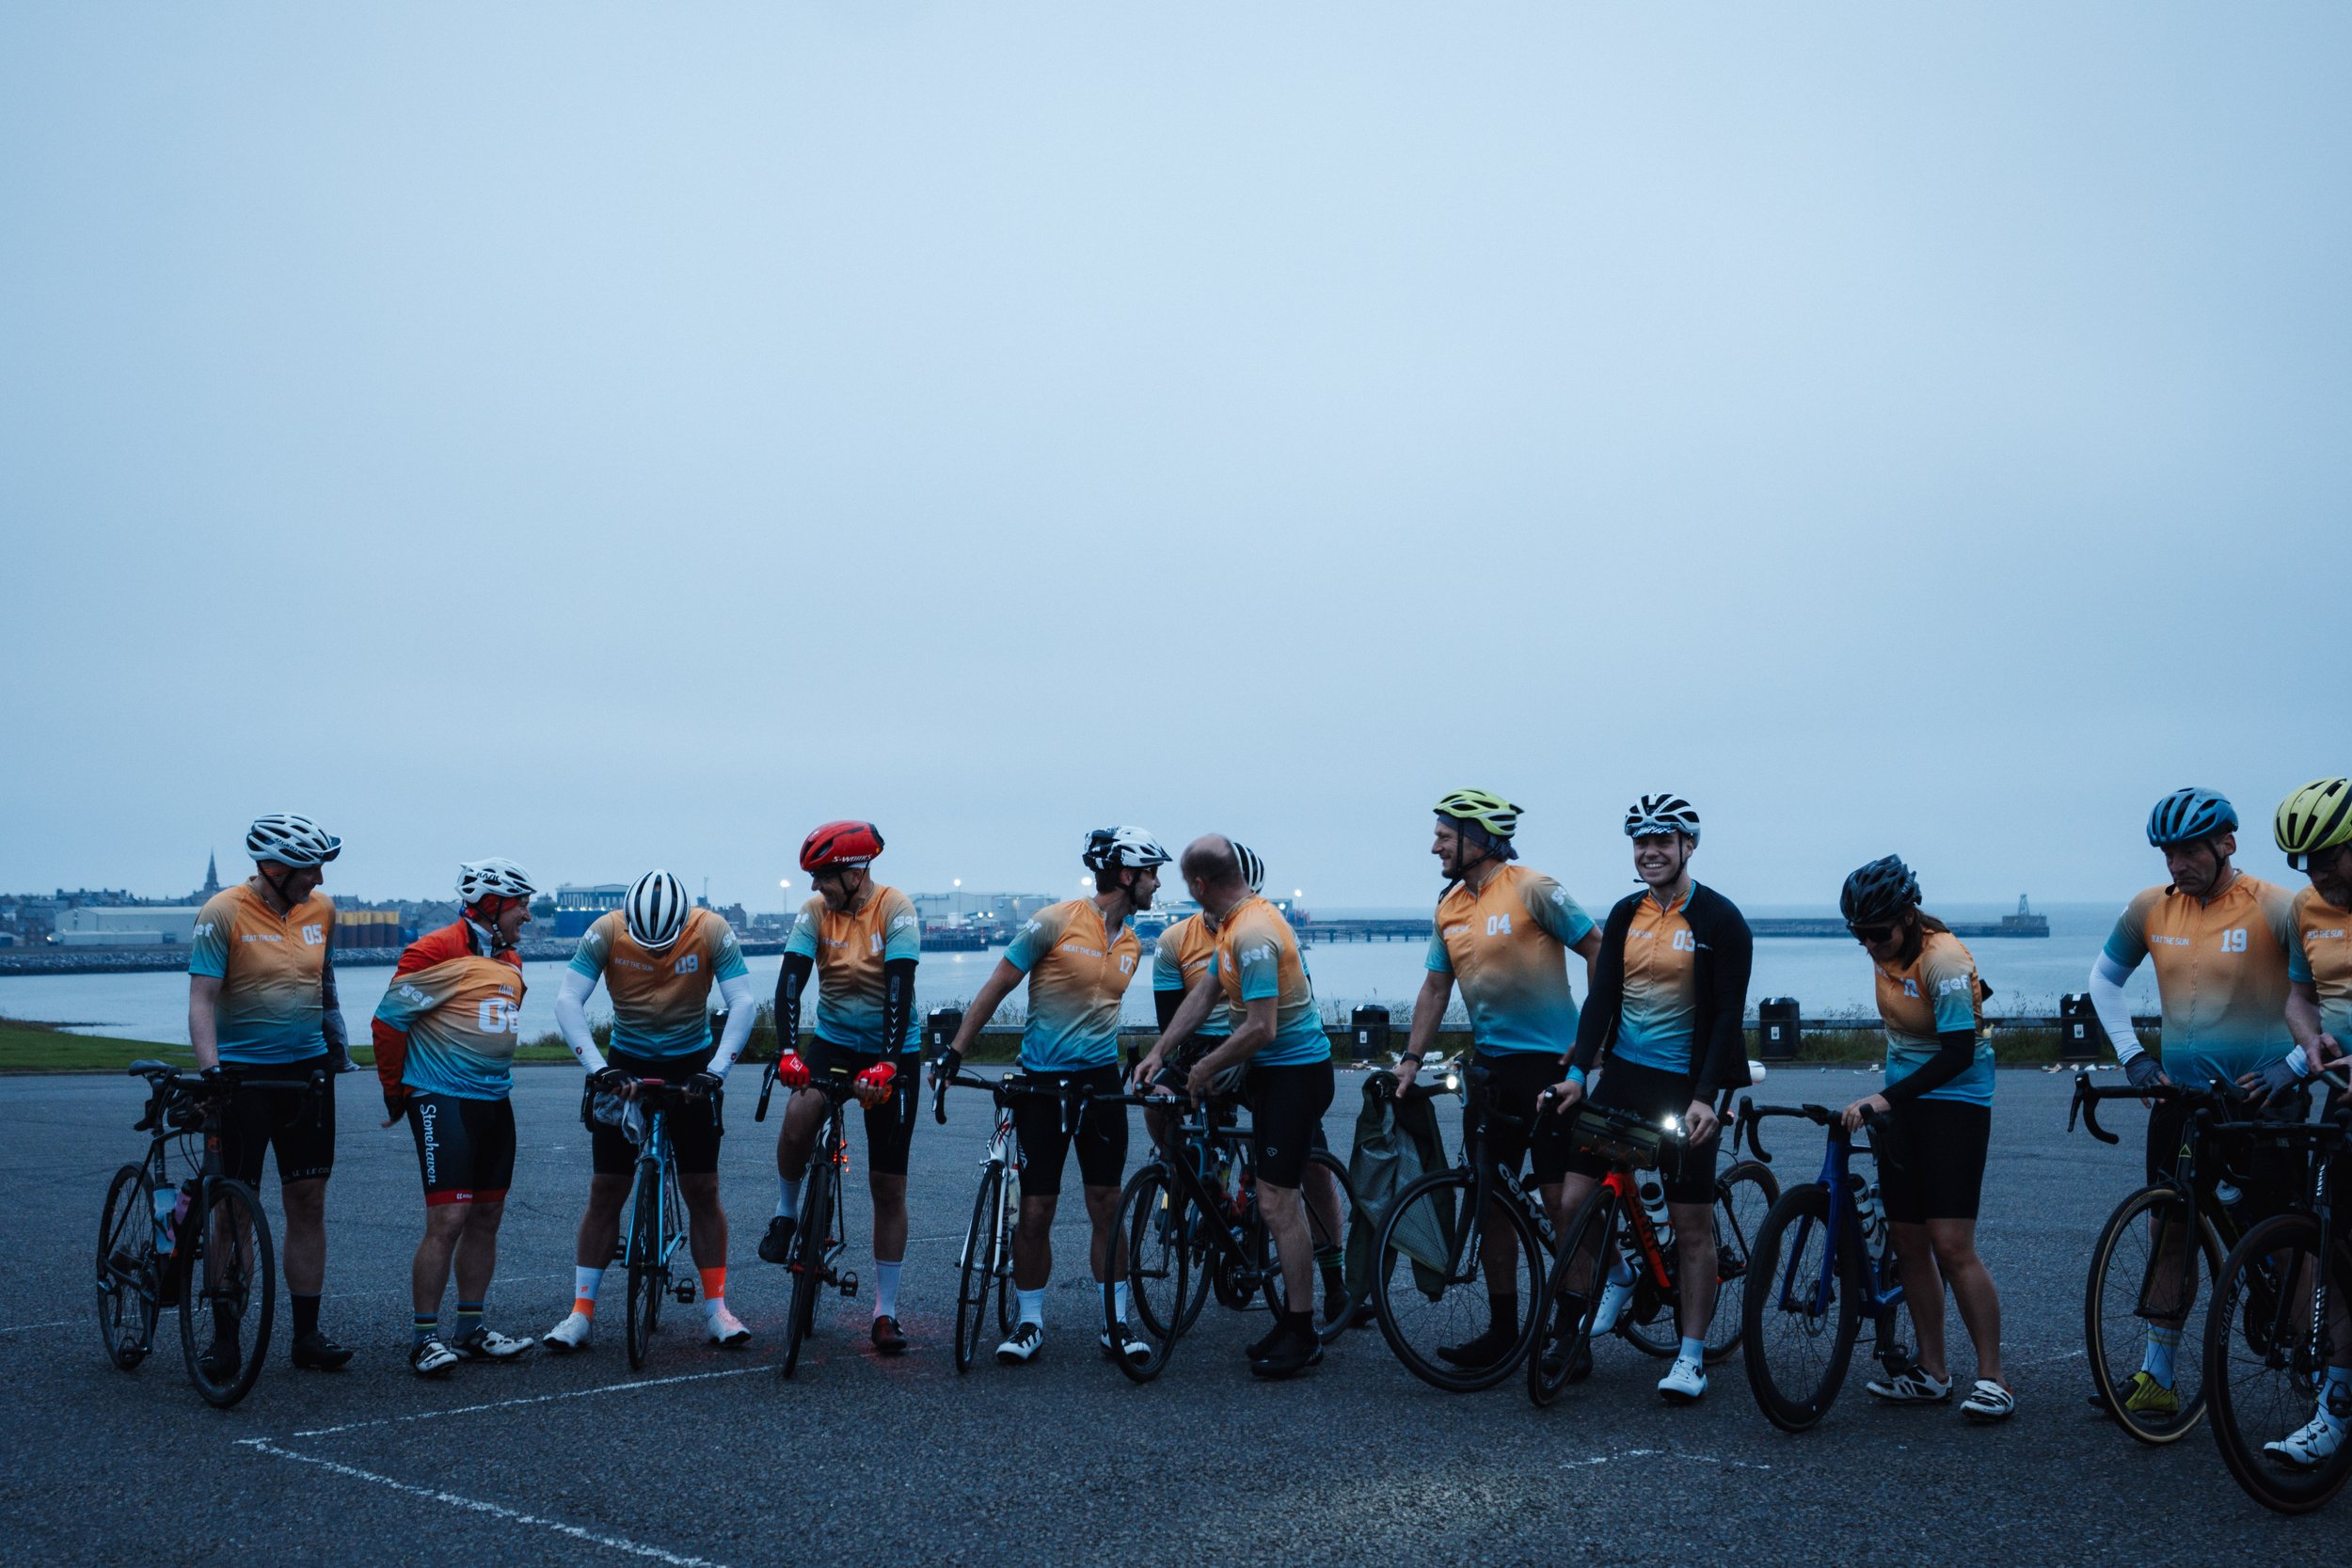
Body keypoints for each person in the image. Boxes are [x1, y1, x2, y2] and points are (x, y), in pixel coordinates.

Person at [2089, 786, 2299, 1420]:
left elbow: (2334, 988)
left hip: (2261, 1101)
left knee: (2286, 1239)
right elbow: (2103, 980)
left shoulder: (2277, 906)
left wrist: (2290, 1068)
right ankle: (2158, 1374)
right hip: (2180, 1101)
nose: (2176, 864)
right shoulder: (2151, 908)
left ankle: (2322, 1372)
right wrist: (2133, 1056)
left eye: (2188, 851)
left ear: (2226, 842)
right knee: (2168, 1227)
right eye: (2167, 852)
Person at [1545, 794, 1753, 1403]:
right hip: (1626, 1076)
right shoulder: (1624, 912)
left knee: (1691, 1226)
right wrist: (1580, 1070)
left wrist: (1708, 1097)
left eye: (1663, 841)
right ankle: (1618, 1271)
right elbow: (1601, 998)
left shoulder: (1720, 920)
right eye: (1641, 842)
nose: (1651, 852)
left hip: (1687, 1083)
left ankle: (1690, 1357)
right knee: (1576, 1197)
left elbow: (1726, 1017)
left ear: (1688, 846)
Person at [932, 827, 1167, 1367]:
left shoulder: (1132, 941)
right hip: (1042, 1086)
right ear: (1127, 876)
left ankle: (1116, 1323)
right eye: (1151, 872)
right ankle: (1031, 1321)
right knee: (1035, 1212)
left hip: (1100, 1086)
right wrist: (955, 1052)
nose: (1157, 883)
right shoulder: (1055, 921)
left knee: (1107, 1205)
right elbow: (997, 984)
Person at [1392, 788, 1599, 1371]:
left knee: (1561, 1202)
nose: (1434, 844)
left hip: (1551, 1067)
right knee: (1491, 1203)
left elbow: (1598, 950)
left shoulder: (1532, 886)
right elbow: (1436, 989)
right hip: (1490, 1071)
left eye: (1444, 835)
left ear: (1479, 838)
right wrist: (1411, 1059)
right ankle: (1504, 1328)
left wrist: (1592, 1040)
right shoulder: (1449, 906)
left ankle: (1571, 1328)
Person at [1135, 842, 1352, 1324]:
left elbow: (1262, 1028)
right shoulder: (1219, 929)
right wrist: (1157, 1052)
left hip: (1286, 1065)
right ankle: (1193, 1184)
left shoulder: (1254, 932)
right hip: (1239, 1053)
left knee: (1286, 1193)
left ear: (1199, 886)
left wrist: (1206, 1069)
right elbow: (1200, 998)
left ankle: (1329, 1291)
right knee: (1162, 1102)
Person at [546, 868, 757, 1354]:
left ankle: (717, 1310)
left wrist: (718, 1070)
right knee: (606, 1189)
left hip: (693, 1064)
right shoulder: (605, 930)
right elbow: (567, 1000)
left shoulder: (711, 929)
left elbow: (742, 1001)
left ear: (684, 923)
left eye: (666, 946)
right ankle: (580, 1312)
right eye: (647, 945)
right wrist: (599, 1069)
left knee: (702, 1188)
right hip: (624, 1064)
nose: (657, 954)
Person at [1831, 855, 2010, 1421]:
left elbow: (1957, 1053)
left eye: (1878, 933)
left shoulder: (1946, 959)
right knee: (1908, 1242)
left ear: (1908, 916)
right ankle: (1933, 1373)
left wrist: (1884, 1099)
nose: (1870, 945)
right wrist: (1890, 1098)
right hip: (1903, 1100)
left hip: (1956, 1100)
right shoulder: (1886, 949)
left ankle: (1993, 1378)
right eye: (1858, 935)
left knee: (1952, 1246)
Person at [184, 813, 354, 1376]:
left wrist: (337, 1050)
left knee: (308, 1202)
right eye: (311, 870)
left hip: (305, 1077)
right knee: (232, 1210)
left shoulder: (322, 911)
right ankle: (225, 1339)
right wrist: (211, 1073)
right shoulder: (223, 912)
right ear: (274, 868)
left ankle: (306, 1337)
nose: (320, 882)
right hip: (239, 1080)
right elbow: (202, 1001)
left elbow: (325, 982)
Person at [761, 821, 925, 1355]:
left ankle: (885, 1312)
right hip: (833, 1040)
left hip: (891, 1047)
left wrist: (888, 1063)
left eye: (822, 877)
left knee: (886, 1184)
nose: (815, 888)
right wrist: (788, 1051)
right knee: (798, 1114)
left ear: (855, 873)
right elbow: (790, 981)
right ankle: (787, 1214)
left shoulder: (895, 910)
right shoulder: (815, 914)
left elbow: (901, 989)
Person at [373, 859, 541, 1375]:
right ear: (492, 906)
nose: (528, 917)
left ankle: (469, 1329)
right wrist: (396, 1093)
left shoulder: (511, 959)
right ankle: (425, 1338)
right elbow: (388, 1022)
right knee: (448, 1219)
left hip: (494, 1100)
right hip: (441, 1097)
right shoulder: (433, 950)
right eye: (521, 907)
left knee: (488, 1216)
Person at [2256, 777, 2352, 1468]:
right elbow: (2298, 995)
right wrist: (2308, 1038)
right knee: (2336, 1249)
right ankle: (2338, 1407)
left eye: (2327, 854)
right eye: (2302, 859)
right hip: (2341, 1089)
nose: (2315, 870)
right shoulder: (2304, 908)